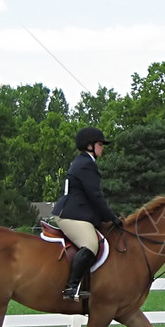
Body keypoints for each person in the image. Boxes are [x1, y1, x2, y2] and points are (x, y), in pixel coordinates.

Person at [52, 126, 122, 300]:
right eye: (100, 144)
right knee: (91, 244)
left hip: (77, 212)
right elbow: (95, 196)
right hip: (70, 214)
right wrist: (111, 217)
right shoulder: (86, 164)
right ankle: (71, 288)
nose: (102, 147)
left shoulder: (84, 162)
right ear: (90, 146)